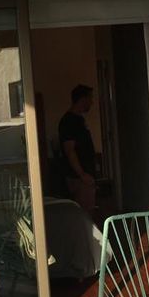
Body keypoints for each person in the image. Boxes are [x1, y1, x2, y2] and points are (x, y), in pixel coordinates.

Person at [58, 84, 97, 214]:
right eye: (90, 99)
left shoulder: (79, 120)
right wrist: (82, 175)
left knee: (88, 211)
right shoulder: (69, 121)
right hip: (79, 178)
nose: (92, 102)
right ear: (82, 99)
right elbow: (70, 150)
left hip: (84, 176)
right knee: (85, 214)